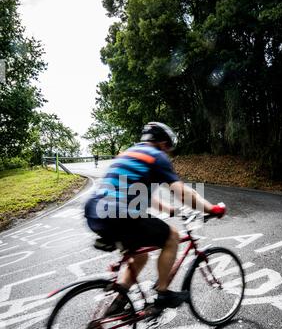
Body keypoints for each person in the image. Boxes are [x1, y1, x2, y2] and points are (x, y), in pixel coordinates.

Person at [85, 122, 226, 316]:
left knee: (140, 255)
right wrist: (212, 208)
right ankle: (163, 294)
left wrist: (170, 210)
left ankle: (118, 301)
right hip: (118, 213)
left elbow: (141, 193)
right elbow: (183, 193)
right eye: (168, 147)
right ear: (161, 143)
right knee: (172, 237)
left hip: (95, 212)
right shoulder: (156, 157)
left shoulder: (129, 154)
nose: (168, 152)